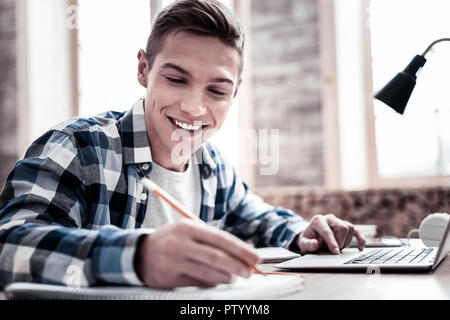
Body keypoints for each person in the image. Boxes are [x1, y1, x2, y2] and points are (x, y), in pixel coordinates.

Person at [0, 0, 365, 289]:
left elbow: (258, 220)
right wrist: (140, 257)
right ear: (144, 70)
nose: (193, 106)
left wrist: (303, 234)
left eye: (217, 90)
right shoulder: (78, 148)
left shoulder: (212, 167)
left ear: (235, 92)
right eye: (176, 79)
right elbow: (8, 247)